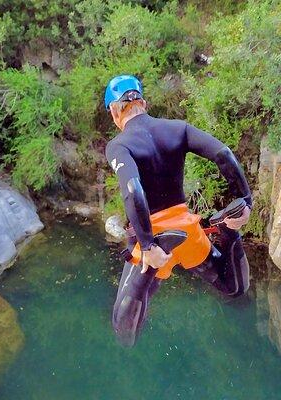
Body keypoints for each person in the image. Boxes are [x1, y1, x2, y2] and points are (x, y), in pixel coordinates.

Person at [104, 75, 252, 347]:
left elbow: (133, 189)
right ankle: (228, 230)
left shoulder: (119, 145)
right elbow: (223, 154)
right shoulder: (177, 129)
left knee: (124, 331)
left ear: (114, 111)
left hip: (155, 238)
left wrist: (148, 245)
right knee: (232, 287)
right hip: (187, 229)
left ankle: (147, 271)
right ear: (143, 103)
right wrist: (245, 199)